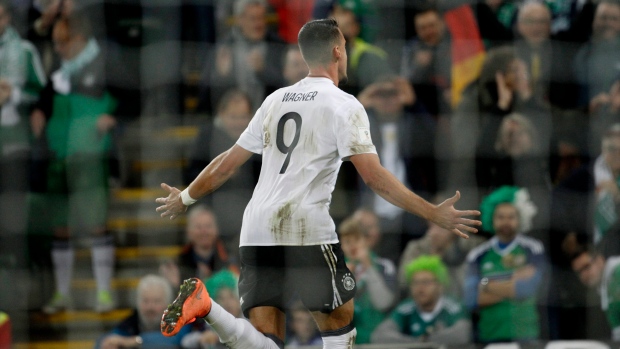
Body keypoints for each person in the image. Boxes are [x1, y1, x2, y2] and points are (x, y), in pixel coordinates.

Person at [155, 18, 480, 349]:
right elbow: (375, 178)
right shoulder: (344, 104)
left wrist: (185, 197)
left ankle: (207, 307)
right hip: (305, 227)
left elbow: (225, 164)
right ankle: (208, 307)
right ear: (338, 51)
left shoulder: (275, 100)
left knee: (268, 342)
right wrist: (431, 213)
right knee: (341, 331)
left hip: (256, 228)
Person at [31, 15, 122, 314]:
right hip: (59, 157)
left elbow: (128, 99)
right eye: (55, 43)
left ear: (80, 39)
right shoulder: (60, 71)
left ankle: (105, 292)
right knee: (60, 227)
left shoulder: (105, 64)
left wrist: (113, 120)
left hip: (93, 158)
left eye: (62, 43)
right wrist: (39, 112)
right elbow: (45, 100)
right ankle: (63, 293)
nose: (57, 49)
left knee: (97, 223)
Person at [463, 185, 546, 343]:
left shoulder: (533, 249)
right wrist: (513, 279)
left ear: (520, 218)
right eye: (500, 217)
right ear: (492, 219)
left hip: (526, 336)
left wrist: (486, 284)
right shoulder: (477, 255)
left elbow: (528, 288)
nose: (506, 222)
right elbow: (471, 298)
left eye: (511, 217)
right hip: (490, 336)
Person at [184, 90, 259, 254]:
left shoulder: (258, 137)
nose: (238, 123)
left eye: (243, 117)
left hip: (249, 208)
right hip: (213, 207)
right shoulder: (207, 137)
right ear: (221, 115)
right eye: (233, 117)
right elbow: (191, 174)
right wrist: (218, 175)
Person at [371, 255, 471, 345]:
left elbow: (463, 334)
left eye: (426, 282)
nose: (420, 288)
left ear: (440, 285)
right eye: (415, 283)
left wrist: (425, 341)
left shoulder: (452, 307)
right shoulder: (406, 308)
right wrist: (417, 343)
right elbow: (380, 335)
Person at [338, 216, 396, 344]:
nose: (352, 246)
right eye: (347, 241)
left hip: (377, 339)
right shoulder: (335, 271)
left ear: (366, 241)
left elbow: (384, 304)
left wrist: (368, 266)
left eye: (356, 240)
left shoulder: (383, 266)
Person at [95, 274, 192, 349]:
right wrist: (107, 343)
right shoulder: (132, 321)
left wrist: (134, 341)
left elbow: (175, 339)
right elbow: (107, 338)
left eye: (156, 301)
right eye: (145, 301)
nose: (150, 307)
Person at [159, 205, 238, 289]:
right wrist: (173, 286)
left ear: (216, 230)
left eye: (208, 226)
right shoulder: (178, 264)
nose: (204, 231)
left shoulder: (231, 259)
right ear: (189, 232)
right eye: (198, 227)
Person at [181, 270, 242, 349]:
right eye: (221, 298)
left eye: (231, 297)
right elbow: (185, 342)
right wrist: (201, 338)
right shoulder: (210, 324)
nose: (227, 303)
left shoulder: (250, 322)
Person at [571, 246, 620, 340]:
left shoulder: (617, 272)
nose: (583, 275)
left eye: (586, 267)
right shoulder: (604, 288)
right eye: (579, 272)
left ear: (600, 260)